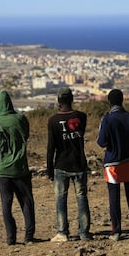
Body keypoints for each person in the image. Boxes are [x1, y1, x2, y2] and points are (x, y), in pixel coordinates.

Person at [97, 89, 129, 241]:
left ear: (109, 102)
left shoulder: (107, 119)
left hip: (113, 164)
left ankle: (116, 231)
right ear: (122, 101)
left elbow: (101, 141)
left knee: (114, 197)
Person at [0, 90, 36, 245]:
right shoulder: (21, 119)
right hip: (20, 169)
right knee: (27, 202)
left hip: (2, 171)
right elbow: (25, 136)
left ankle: (11, 238)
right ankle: (28, 236)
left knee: (6, 204)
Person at [46, 87, 92, 242]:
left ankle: (62, 232)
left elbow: (51, 147)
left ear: (59, 102)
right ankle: (84, 233)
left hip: (61, 164)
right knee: (82, 198)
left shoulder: (53, 121)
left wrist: (49, 168)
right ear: (72, 100)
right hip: (79, 164)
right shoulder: (81, 117)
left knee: (61, 199)